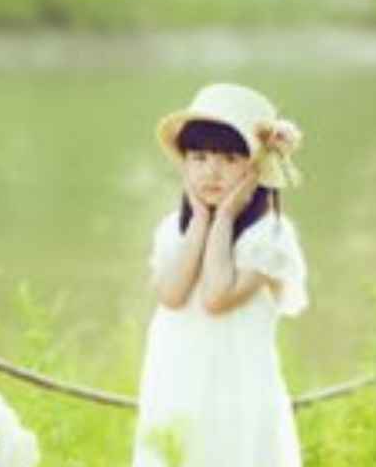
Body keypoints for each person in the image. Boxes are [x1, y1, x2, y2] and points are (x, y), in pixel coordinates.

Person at [131, 82, 309, 467]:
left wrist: (225, 217)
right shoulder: (173, 230)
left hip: (237, 387)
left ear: (255, 168)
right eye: (198, 157)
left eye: (229, 158)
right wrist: (200, 222)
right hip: (176, 380)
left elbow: (217, 297)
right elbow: (172, 295)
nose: (211, 171)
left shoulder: (268, 237)